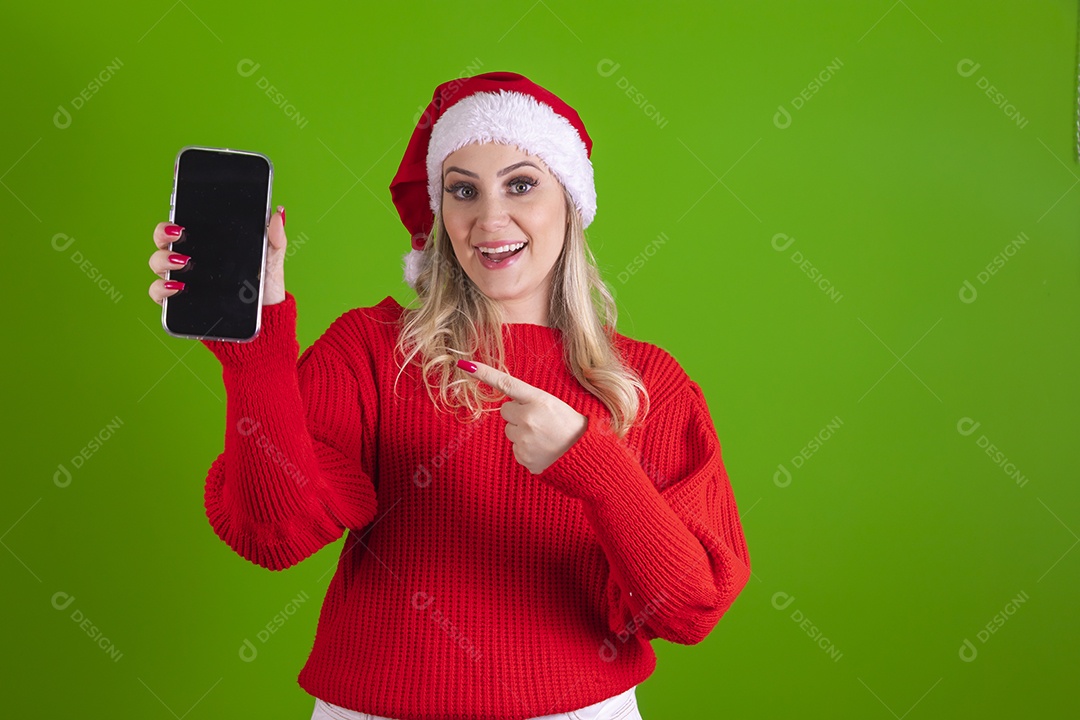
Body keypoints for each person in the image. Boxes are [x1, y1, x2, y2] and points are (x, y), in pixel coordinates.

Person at [146, 71, 751, 720]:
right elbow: (274, 535)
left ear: (571, 202)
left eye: (521, 184)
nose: (490, 219)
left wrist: (592, 462)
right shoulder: (371, 349)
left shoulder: (647, 384)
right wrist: (255, 351)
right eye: (463, 191)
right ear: (441, 214)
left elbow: (689, 608)